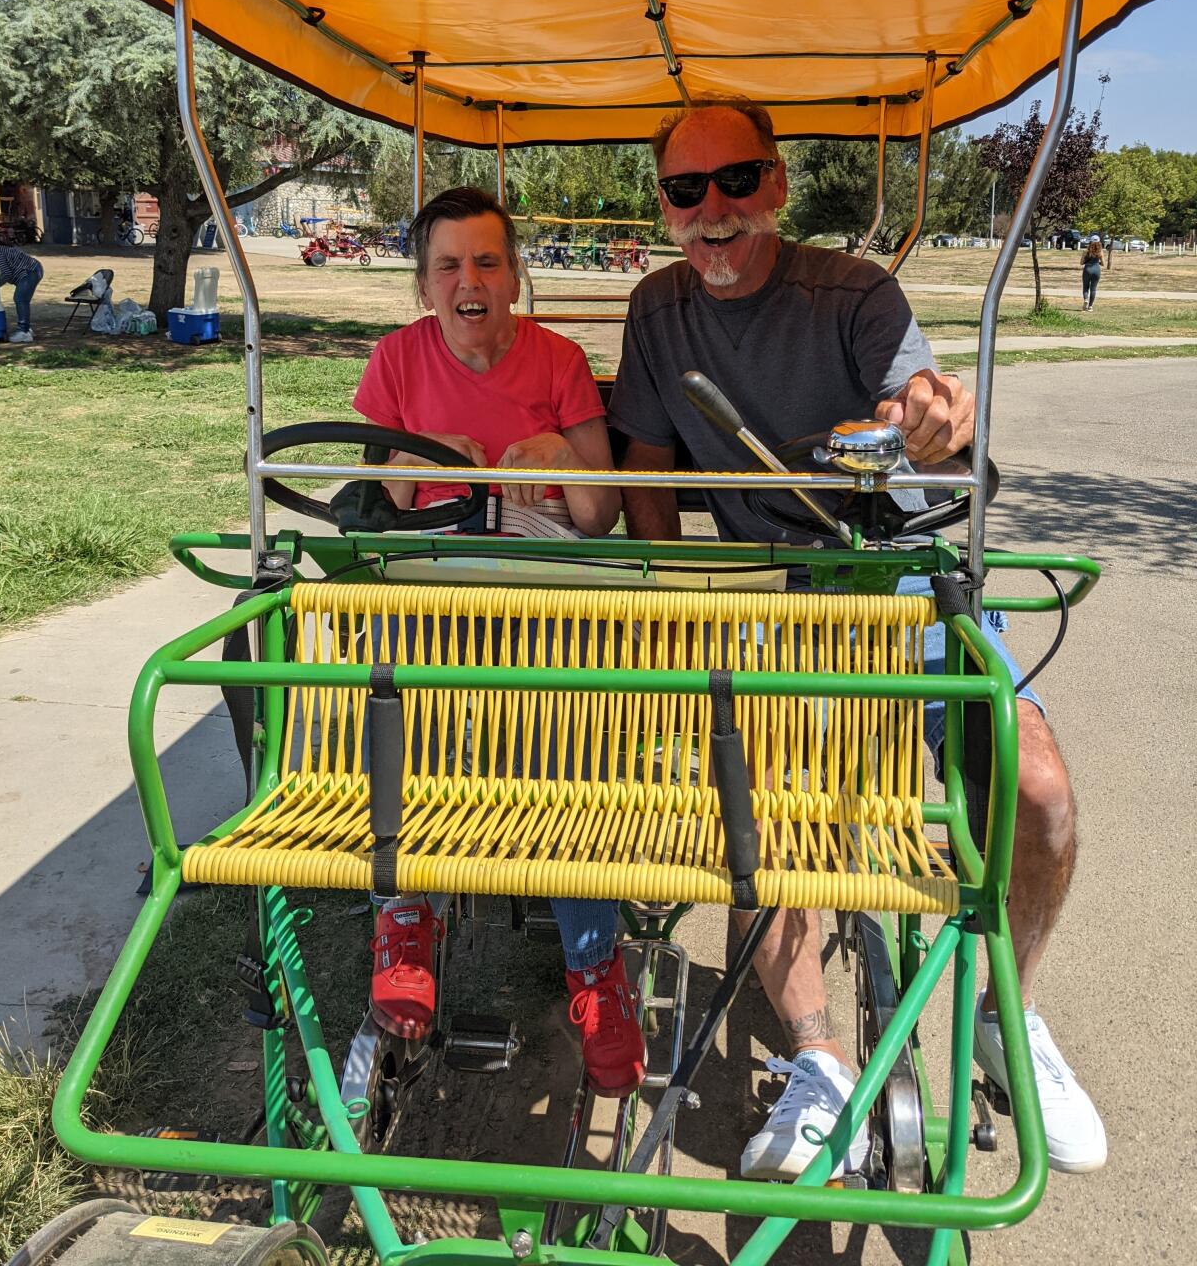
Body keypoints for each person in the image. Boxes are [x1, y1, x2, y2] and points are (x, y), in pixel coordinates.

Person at [607, 99, 1106, 1179]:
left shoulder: (856, 294)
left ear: (778, 186)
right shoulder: (658, 309)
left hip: (900, 580)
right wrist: (672, 595)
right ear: (665, 208)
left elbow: (922, 412)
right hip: (768, 598)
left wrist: (934, 420)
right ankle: (821, 1059)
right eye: (686, 192)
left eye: (735, 182)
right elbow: (645, 470)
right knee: (777, 811)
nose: (713, 212)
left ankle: (1003, 1010)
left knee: (1042, 793)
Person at [352, 185, 645, 1097]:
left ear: (514, 277)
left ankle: (593, 963)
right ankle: (406, 913)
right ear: (423, 285)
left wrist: (564, 457)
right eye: (449, 265)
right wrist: (410, 461)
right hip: (436, 579)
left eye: (486, 261)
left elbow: (599, 518)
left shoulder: (558, 361)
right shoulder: (396, 361)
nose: (468, 280)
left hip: (541, 580)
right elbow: (378, 502)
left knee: (564, 745)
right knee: (398, 695)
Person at [0, 243, 44, 344]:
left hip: (29, 271)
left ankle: (24, 332)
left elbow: (5, 273)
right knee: (21, 298)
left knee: (20, 298)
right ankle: (26, 329)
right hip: (31, 269)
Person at [1082, 238, 1102, 310]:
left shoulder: (1086, 251)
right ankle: (1090, 306)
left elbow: (1081, 262)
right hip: (1096, 269)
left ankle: (1086, 300)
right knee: (1093, 289)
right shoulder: (1100, 252)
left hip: (1087, 269)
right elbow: (1102, 263)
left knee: (1085, 287)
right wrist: (1097, 262)